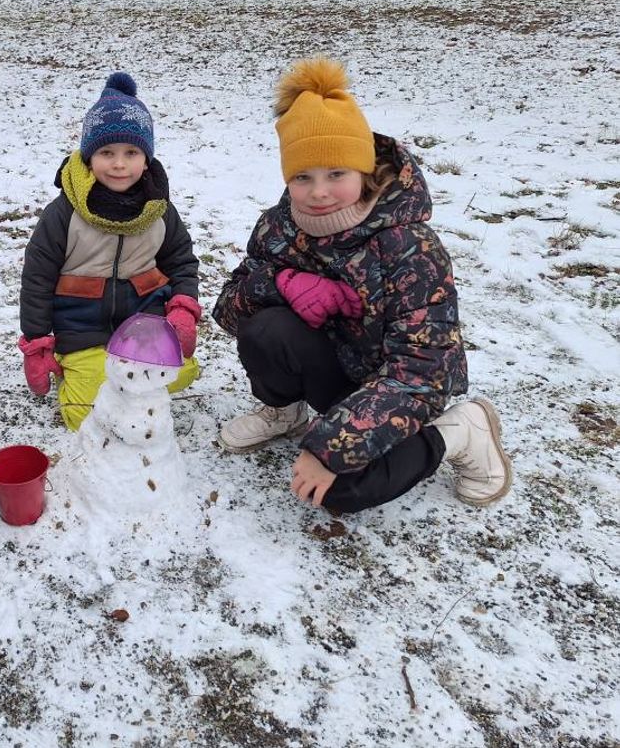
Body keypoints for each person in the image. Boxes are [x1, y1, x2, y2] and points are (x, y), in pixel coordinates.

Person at [212, 56, 512, 513]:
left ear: (364, 170)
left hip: (399, 388)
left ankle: (462, 430)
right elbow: (228, 311)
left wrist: (331, 447)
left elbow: (421, 374)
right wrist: (281, 282)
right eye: (303, 177)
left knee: (340, 490)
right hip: (336, 371)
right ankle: (284, 412)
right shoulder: (279, 226)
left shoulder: (409, 246)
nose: (319, 192)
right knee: (264, 329)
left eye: (336, 174)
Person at [19, 73, 201, 431]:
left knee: (184, 370)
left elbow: (181, 260)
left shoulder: (159, 210)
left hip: (143, 326)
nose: (119, 164)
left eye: (131, 153)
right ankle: (76, 372)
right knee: (84, 415)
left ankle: (124, 378)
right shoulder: (63, 214)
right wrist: (38, 344)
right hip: (82, 330)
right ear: (89, 158)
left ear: (146, 159)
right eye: (107, 153)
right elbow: (37, 279)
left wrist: (182, 306)